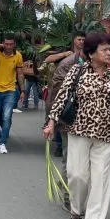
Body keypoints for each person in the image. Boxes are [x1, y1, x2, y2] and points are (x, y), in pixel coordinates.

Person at [44, 32, 110, 219]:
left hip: (105, 135)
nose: (108, 53)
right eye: (104, 49)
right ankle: (76, 209)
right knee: (78, 175)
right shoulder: (78, 71)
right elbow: (62, 97)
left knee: (100, 179)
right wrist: (51, 122)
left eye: (109, 49)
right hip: (79, 131)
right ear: (91, 53)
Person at [46, 31, 86, 160]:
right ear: (74, 40)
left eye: (83, 40)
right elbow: (48, 60)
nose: (81, 42)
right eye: (79, 39)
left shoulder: (88, 59)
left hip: (78, 99)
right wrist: (64, 55)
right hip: (62, 92)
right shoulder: (67, 56)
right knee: (61, 118)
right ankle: (59, 144)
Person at [0, 34, 25, 154]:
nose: (8, 46)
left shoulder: (18, 55)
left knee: (6, 117)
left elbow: (20, 74)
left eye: (11, 44)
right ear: (3, 43)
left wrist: (23, 90)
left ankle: (3, 142)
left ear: (14, 44)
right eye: (6, 44)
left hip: (10, 90)